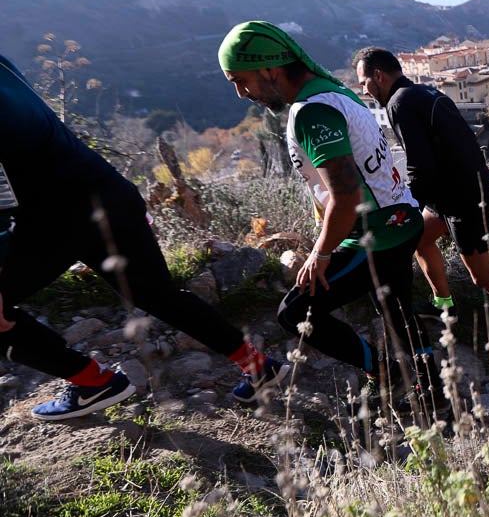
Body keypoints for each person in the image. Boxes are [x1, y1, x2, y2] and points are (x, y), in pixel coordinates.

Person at [0, 53, 288, 421]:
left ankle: (92, 382)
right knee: (157, 294)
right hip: (106, 192)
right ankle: (257, 365)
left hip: (49, 219)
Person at [218, 22, 440, 415]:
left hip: (375, 232)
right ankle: (434, 393)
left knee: (295, 312)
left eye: (241, 80)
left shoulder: (312, 112)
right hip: (402, 217)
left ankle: (385, 375)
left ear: (269, 68)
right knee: (395, 307)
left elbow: (346, 197)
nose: (241, 93)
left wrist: (320, 254)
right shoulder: (334, 91)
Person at [352, 47, 489, 338]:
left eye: (364, 82)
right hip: (452, 193)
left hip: (464, 200)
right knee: (421, 239)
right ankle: (445, 307)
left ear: (378, 75)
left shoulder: (400, 103)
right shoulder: (424, 92)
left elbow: (419, 165)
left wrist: (408, 208)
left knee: (484, 277)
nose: (364, 90)